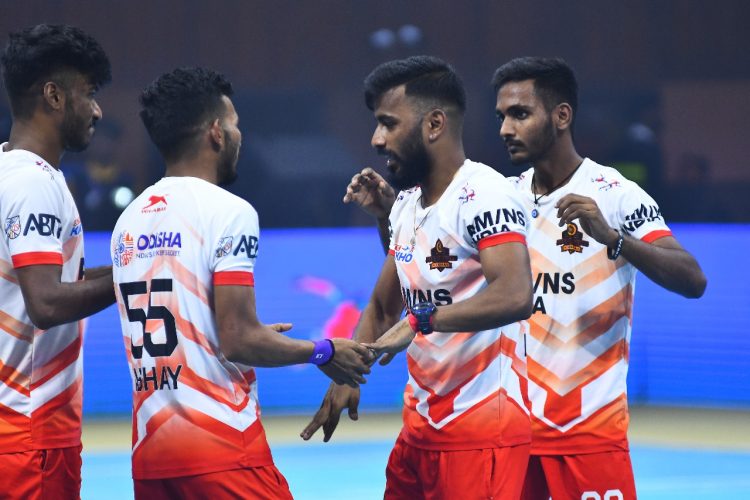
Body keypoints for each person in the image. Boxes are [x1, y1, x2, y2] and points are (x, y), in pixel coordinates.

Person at [343, 56, 708, 499]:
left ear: (561, 116)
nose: (505, 129)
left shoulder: (614, 195)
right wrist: (390, 217)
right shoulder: (501, 194)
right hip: (508, 431)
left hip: (585, 432)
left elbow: (692, 279)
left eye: (519, 114)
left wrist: (614, 239)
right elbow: (425, 271)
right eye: (500, 116)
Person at [111, 67, 373, 499]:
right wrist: (323, 351)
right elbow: (239, 340)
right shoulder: (228, 211)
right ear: (216, 132)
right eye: (234, 124)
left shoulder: (129, 220)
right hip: (221, 448)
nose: (239, 135)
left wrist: (229, 336)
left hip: (151, 457)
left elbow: (200, 331)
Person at [301, 55, 535, 499]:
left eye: (389, 124)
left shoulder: (486, 194)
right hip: (420, 430)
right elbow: (383, 305)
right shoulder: (406, 204)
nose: (376, 139)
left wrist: (421, 320)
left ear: (434, 124)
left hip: (482, 432)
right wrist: (346, 377)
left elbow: (516, 293)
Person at [0, 24, 115, 499]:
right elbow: (46, 302)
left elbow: (47, 280)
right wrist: (141, 273)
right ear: (54, 96)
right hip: (31, 433)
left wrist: (137, 266)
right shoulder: (35, 183)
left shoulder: (7, 170)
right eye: (89, 93)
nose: (97, 110)